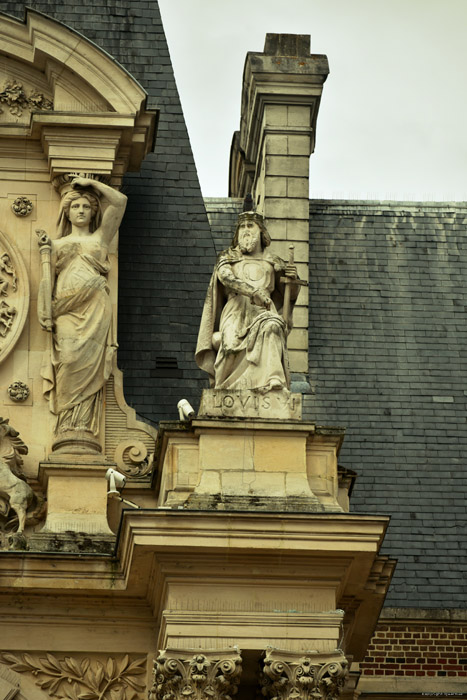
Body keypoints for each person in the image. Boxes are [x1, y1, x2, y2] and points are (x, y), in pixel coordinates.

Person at [38, 177, 127, 438]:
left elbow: (120, 202)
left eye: (86, 207)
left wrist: (92, 184)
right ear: (66, 211)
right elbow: (47, 283)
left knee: (89, 364)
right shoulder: (56, 245)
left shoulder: (101, 238)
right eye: (75, 206)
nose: (80, 211)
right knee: (68, 358)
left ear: (93, 211)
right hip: (65, 310)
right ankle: (66, 422)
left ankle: (81, 425)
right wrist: (46, 312)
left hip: (96, 309)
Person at [195, 211, 300, 393]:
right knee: (229, 344)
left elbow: (288, 295)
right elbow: (225, 277)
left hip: (263, 310)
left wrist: (293, 278)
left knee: (273, 326)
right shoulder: (228, 257)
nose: (246, 231)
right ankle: (223, 389)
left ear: (261, 232)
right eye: (242, 227)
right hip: (236, 310)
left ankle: (274, 380)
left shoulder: (273, 261)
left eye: (250, 226)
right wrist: (252, 292)